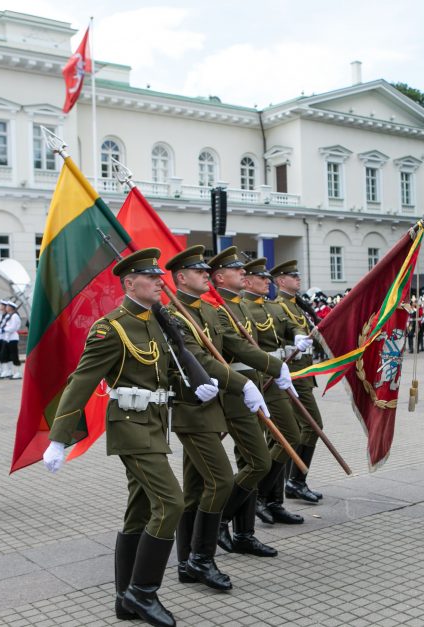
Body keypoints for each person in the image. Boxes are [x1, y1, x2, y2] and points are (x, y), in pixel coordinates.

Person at [42, 248, 197, 626]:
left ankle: (123, 599)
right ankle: (143, 593)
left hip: (157, 424)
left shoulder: (157, 322)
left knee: (140, 511)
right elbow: (81, 381)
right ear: (129, 283)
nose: (161, 281)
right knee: (172, 503)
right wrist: (59, 438)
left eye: (161, 276)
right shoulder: (110, 328)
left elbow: (166, 373)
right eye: (152, 277)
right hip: (131, 427)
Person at [165, 245, 266, 592]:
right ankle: (202, 558)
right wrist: (243, 383)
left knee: (194, 491)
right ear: (181, 278)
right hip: (191, 410)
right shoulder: (173, 315)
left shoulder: (208, 312)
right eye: (199, 272)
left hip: (213, 408)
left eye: (207, 271)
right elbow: (201, 362)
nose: (206, 275)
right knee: (220, 481)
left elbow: (223, 354)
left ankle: (185, 563)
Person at [208, 246, 291, 559]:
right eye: (237, 270)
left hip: (253, 385)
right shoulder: (219, 308)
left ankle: (245, 534)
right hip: (235, 391)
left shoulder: (238, 305)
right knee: (258, 461)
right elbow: (237, 350)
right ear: (220, 276)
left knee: (250, 463)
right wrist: (274, 365)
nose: (243, 273)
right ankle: (220, 519)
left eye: (244, 270)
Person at [241, 258, 308, 525]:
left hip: (278, 375)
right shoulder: (242, 308)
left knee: (285, 437)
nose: (267, 282)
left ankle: (273, 500)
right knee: (285, 436)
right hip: (259, 378)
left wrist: (299, 333)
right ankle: (259, 494)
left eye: (268, 278)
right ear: (247, 281)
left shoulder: (272, 306)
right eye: (262, 278)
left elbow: (291, 325)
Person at [271, 259, 325, 504]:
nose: (298, 278)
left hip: (303, 373)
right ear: (280, 281)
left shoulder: (296, 305)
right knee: (312, 425)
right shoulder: (279, 307)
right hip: (292, 374)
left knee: (295, 430)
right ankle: (295, 481)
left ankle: (289, 481)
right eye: (292, 276)